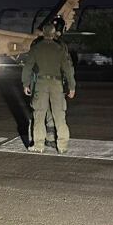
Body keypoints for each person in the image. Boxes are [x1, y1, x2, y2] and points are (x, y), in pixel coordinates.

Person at [21, 22, 76, 153]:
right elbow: (68, 69)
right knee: (60, 115)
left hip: (41, 83)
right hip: (57, 84)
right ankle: (62, 146)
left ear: (43, 33)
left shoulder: (36, 48)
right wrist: (72, 87)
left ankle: (39, 145)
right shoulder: (60, 49)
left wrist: (25, 84)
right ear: (53, 33)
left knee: (39, 114)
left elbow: (28, 67)